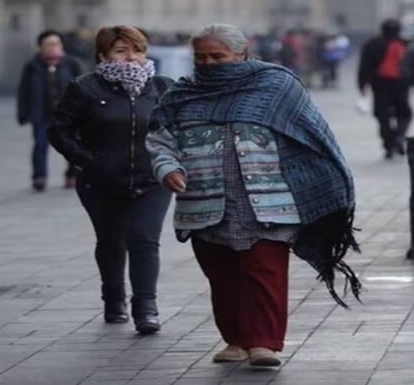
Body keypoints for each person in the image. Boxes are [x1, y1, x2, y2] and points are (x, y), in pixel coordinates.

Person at [147, 23, 360, 367]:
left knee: (264, 271)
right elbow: (161, 141)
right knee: (222, 274)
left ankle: (263, 343)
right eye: (201, 58)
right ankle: (235, 340)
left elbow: (309, 134)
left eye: (218, 56)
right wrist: (167, 168)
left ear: (241, 53)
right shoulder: (181, 95)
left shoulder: (276, 86)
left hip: (269, 201)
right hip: (204, 202)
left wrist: (318, 181)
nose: (209, 64)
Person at [49, 25, 173, 334]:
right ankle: (113, 298)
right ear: (103, 55)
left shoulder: (162, 87)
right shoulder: (85, 88)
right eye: (121, 51)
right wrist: (88, 161)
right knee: (111, 240)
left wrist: (171, 162)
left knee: (144, 240)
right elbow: (59, 130)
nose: (131, 57)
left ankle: (146, 307)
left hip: (151, 180)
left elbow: (180, 127)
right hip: (100, 182)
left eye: (138, 50)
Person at [17, 30, 84, 191]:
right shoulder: (32, 66)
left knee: (72, 146)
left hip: (68, 115)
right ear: (41, 47)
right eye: (49, 44)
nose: (53, 47)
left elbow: (83, 88)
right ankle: (39, 177)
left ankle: (72, 174)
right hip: (41, 114)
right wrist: (23, 113)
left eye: (56, 44)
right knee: (40, 145)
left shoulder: (72, 63)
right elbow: (24, 91)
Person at [358, 18, 411, 159]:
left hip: (379, 84)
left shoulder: (372, 44)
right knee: (404, 113)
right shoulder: (405, 44)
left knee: (382, 115)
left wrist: (362, 85)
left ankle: (389, 144)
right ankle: (400, 136)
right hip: (401, 84)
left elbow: (364, 66)